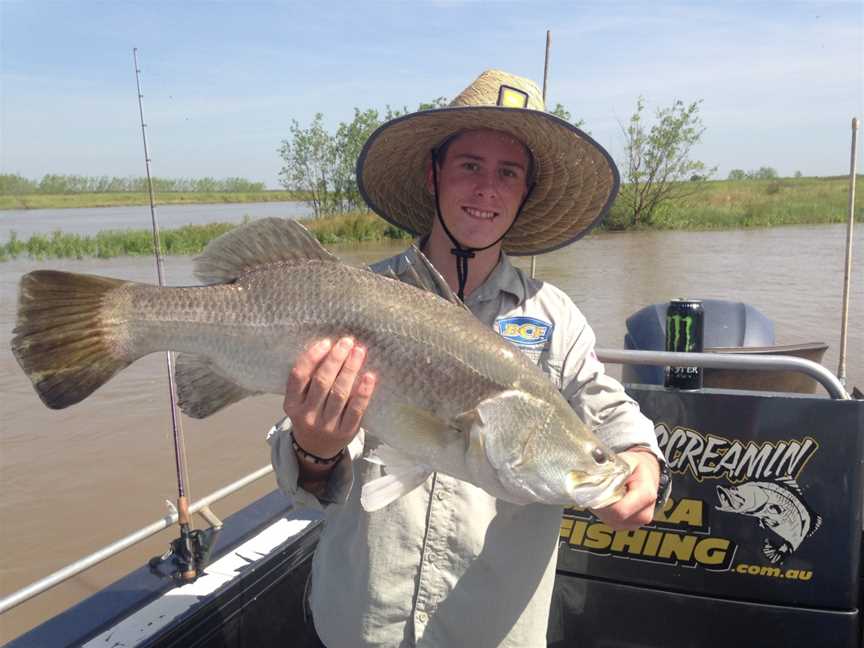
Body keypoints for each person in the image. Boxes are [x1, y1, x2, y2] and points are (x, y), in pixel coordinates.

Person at [268, 69, 668, 647]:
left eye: (509, 173)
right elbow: (302, 476)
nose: (488, 189)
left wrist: (639, 460)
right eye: (470, 166)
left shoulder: (558, 318)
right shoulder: (353, 299)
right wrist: (314, 449)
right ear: (434, 176)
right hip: (362, 623)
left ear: (524, 192)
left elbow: (609, 411)